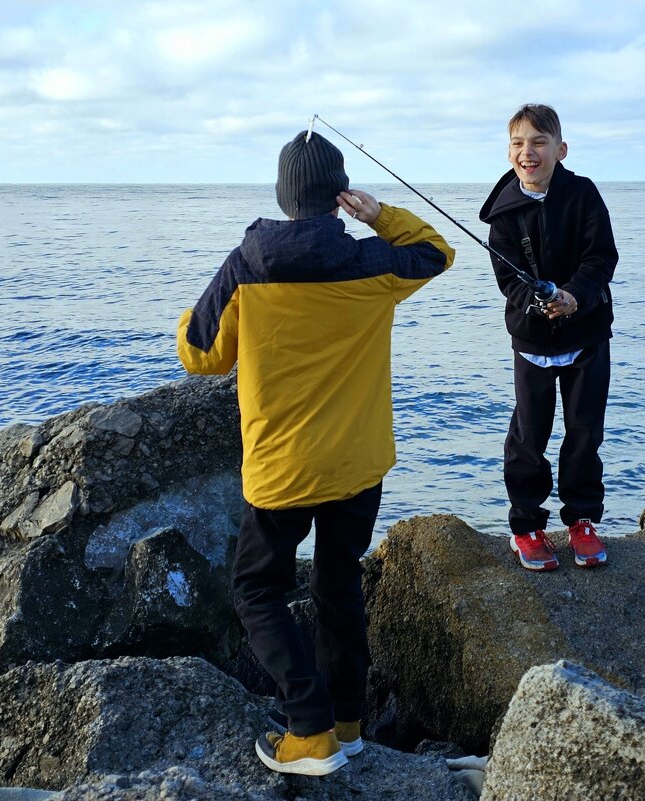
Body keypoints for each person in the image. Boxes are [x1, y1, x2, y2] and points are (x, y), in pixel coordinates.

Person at [176, 130, 454, 776]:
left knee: (255, 588)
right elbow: (436, 251)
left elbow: (199, 351)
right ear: (338, 197)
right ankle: (351, 723)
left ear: (282, 194)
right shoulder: (374, 263)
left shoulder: (248, 263)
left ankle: (309, 728)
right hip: (356, 466)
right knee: (338, 581)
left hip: (282, 471)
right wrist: (379, 214)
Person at [478, 103, 618, 572]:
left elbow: (601, 258)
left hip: (588, 334)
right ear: (509, 152)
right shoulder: (502, 214)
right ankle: (526, 527)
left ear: (560, 149)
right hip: (533, 342)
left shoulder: (583, 194)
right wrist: (538, 303)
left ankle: (581, 521)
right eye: (518, 144)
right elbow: (508, 278)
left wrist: (574, 296)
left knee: (584, 431)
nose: (528, 152)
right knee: (528, 435)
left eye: (538, 142)